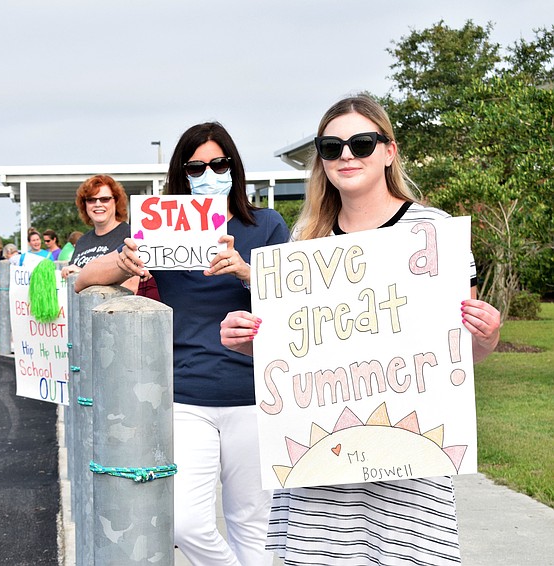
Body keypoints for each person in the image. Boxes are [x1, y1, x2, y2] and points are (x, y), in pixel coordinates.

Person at [219, 94, 502, 565]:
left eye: (361, 143)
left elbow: (462, 355)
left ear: (389, 150)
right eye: (331, 148)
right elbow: (293, 359)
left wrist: (487, 335)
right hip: (319, 478)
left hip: (410, 477)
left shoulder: (435, 232)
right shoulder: (304, 243)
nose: (346, 155)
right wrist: (251, 342)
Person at [75, 123, 290, 565]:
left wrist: (247, 271)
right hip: (186, 394)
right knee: (183, 523)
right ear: (181, 173)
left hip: (255, 395)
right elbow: (82, 279)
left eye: (219, 163)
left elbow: (295, 302)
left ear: (234, 167)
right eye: (196, 166)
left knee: (253, 523)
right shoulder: (161, 228)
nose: (209, 173)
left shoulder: (266, 224)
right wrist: (124, 260)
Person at [60, 174, 131, 281]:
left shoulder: (130, 236)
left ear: (116, 201)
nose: (98, 204)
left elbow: (133, 281)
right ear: (84, 204)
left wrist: (83, 274)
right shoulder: (82, 241)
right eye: (91, 200)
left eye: (105, 199)